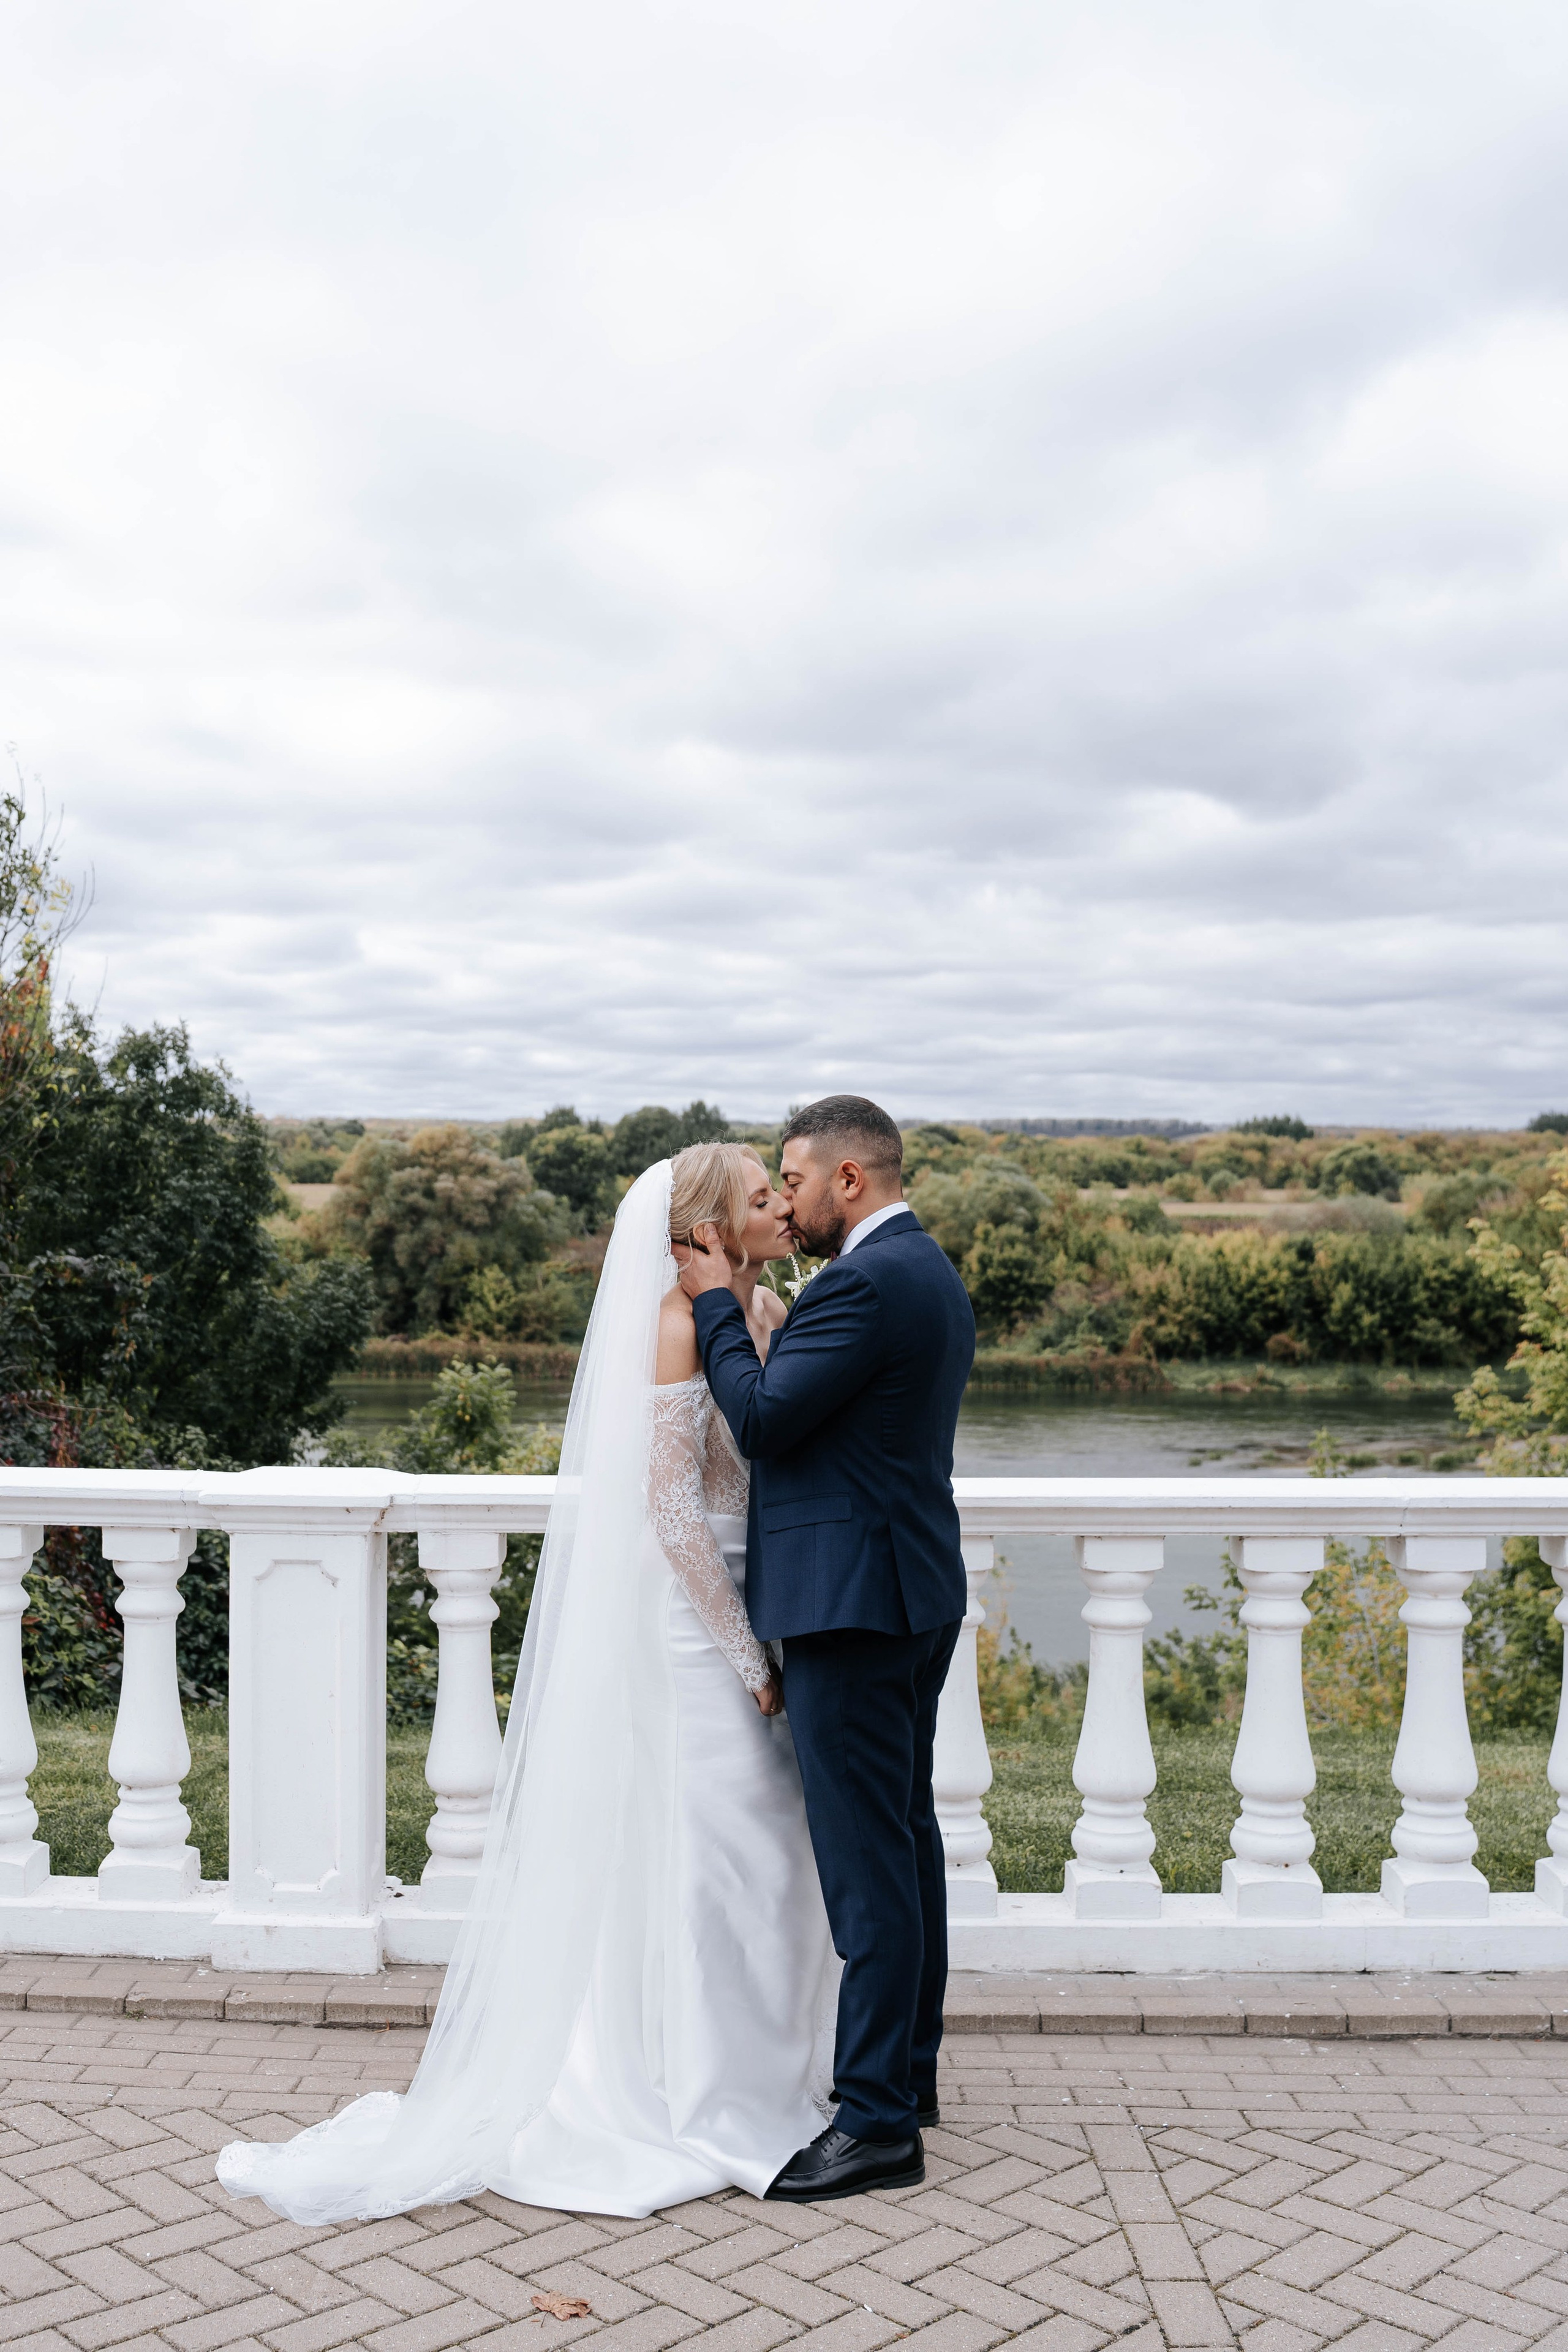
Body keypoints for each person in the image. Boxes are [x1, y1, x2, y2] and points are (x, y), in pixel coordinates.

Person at [214, 1144, 837, 2223]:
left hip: (772, 1602)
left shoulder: (772, 1310)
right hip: (695, 1628)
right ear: (701, 1230)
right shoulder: (675, 1325)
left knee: (775, 1858)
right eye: (756, 1198)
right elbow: (674, 1514)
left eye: (779, 1192)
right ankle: (692, 2090)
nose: (780, 1207)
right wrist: (748, 1658)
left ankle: (769, 2078)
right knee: (710, 1854)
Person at [680, 1093, 976, 2203]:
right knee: (904, 1843)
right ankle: (908, 2072)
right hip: (908, 1593)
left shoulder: (862, 1282)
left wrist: (715, 1304)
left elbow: (762, 1420)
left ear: (849, 1179)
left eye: (793, 1179)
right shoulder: (927, 1272)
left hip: (851, 1608)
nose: (787, 1199)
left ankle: (877, 2126)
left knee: (867, 1872)